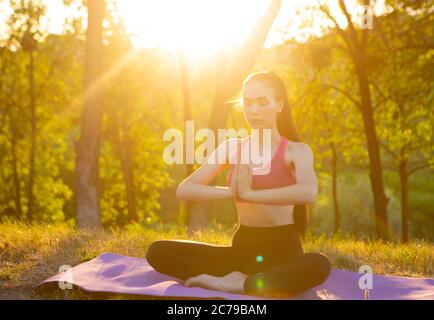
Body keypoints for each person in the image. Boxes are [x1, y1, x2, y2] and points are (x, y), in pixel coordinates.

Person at [146, 71, 331, 298]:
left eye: (263, 103)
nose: (253, 110)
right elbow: (185, 189)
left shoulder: (296, 150)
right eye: (248, 102)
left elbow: (308, 192)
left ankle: (235, 284)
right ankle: (248, 281)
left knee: (318, 265)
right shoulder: (232, 147)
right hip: (242, 251)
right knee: (159, 251)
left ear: (279, 105)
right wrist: (231, 192)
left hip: (283, 253)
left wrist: (250, 194)